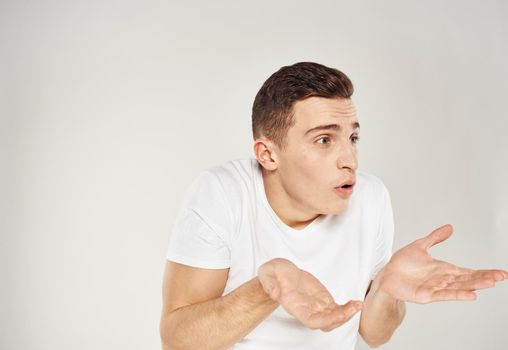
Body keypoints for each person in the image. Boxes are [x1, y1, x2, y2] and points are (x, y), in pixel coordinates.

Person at [159, 62, 507, 350]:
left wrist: (385, 289)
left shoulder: (370, 198)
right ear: (268, 154)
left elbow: (374, 333)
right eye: (324, 139)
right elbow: (177, 338)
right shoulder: (223, 193)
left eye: (353, 137)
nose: (350, 159)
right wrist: (268, 287)